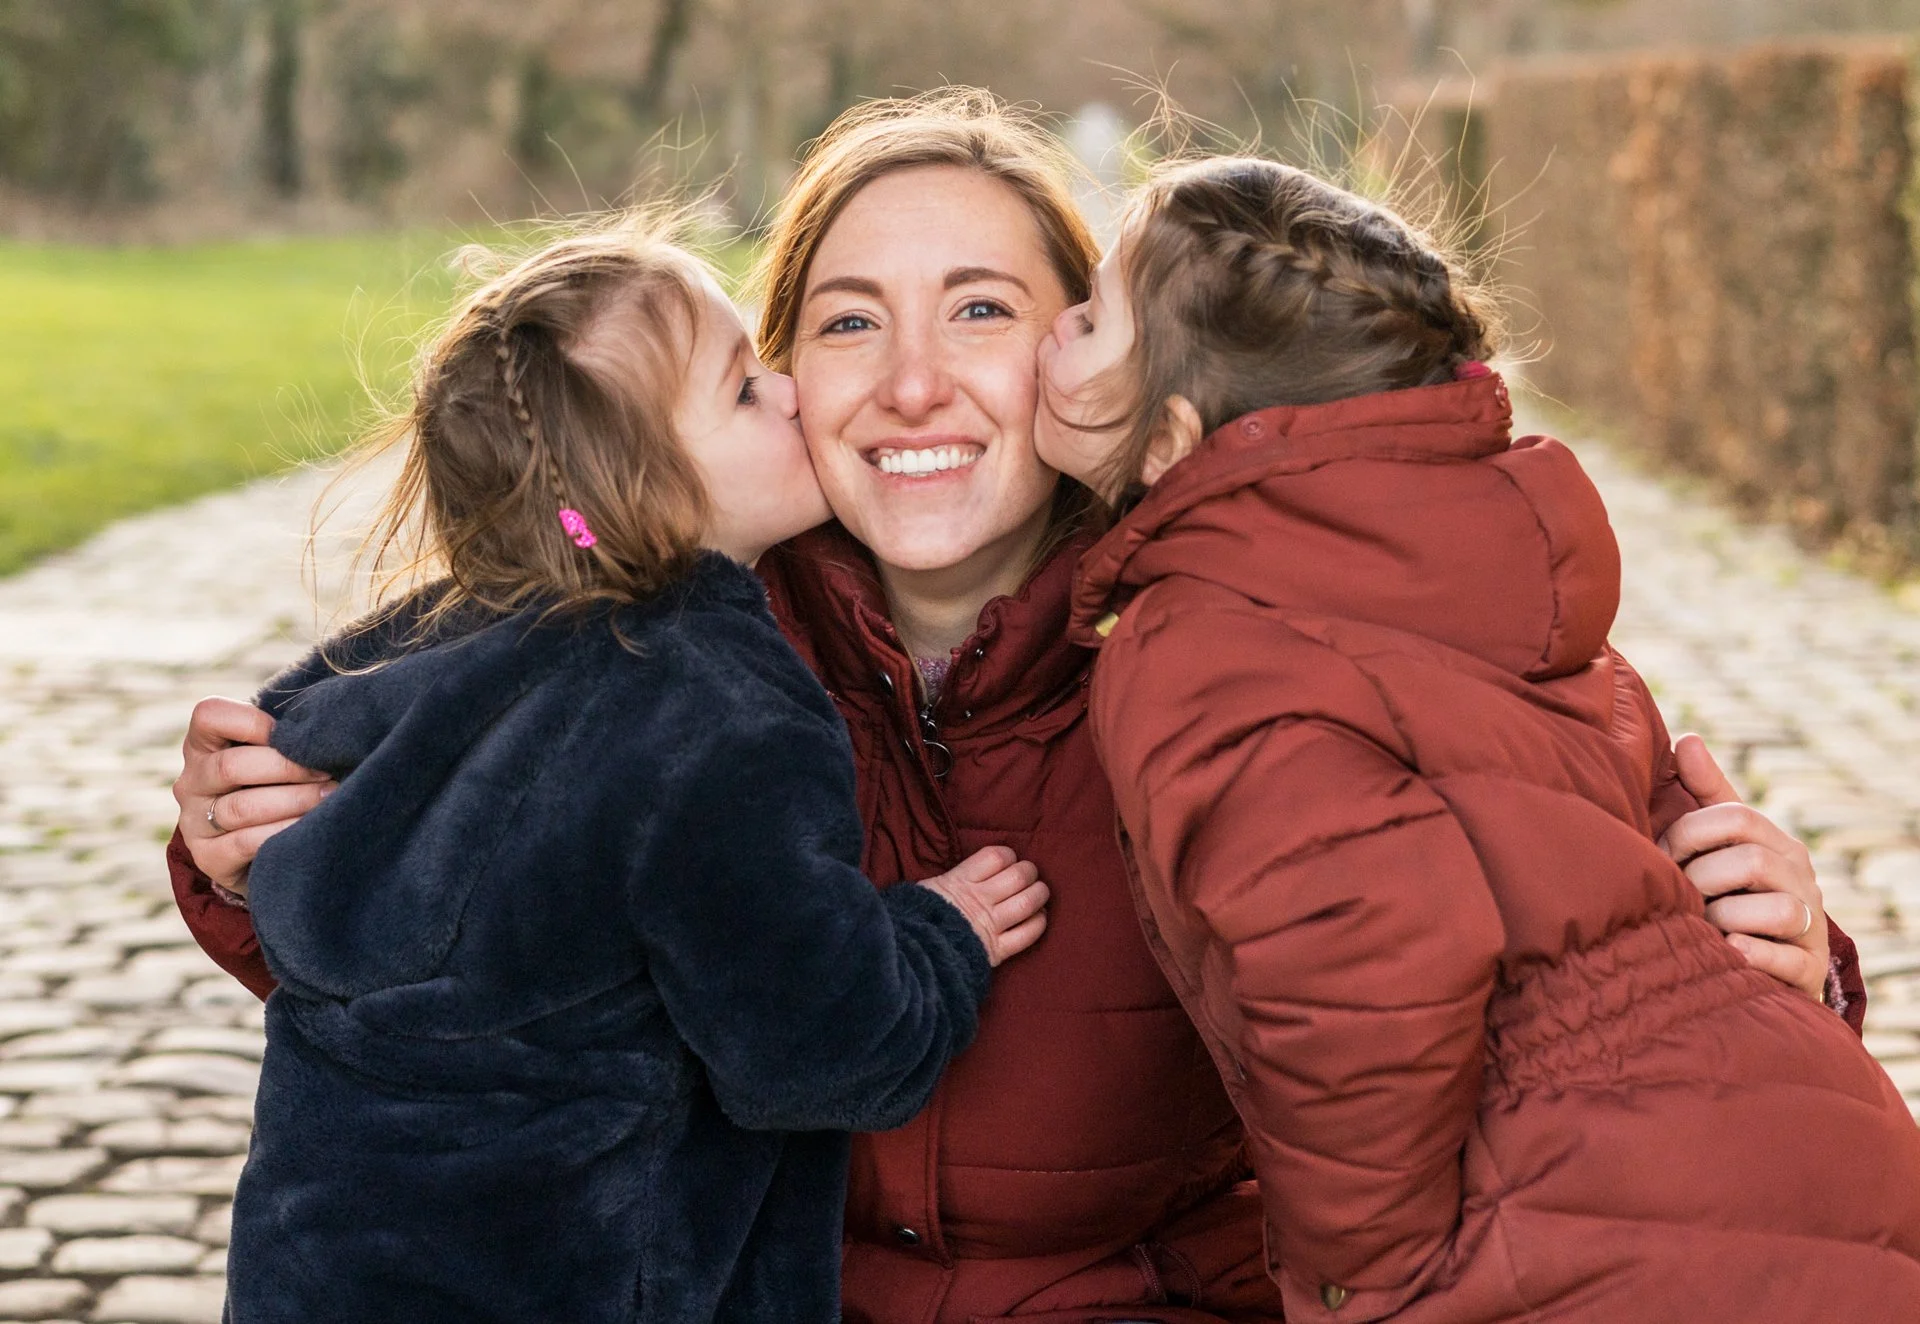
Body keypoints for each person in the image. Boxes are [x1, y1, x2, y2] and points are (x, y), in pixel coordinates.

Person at [168, 92, 1867, 1324]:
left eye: (981, 311)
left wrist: (1786, 950)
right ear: (773, 394)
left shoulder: (1295, 647)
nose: (913, 382)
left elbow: (1609, 995)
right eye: (846, 323)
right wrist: (248, 866)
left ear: (1096, 369)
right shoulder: (653, 669)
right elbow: (469, 974)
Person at [1035, 154, 1920, 1323]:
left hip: (1587, 1231)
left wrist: (1368, 1280)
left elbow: (1358, 960)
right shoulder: (1482, 580)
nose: (1057, 325)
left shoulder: (1196, 641)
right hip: (1820, 1155)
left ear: (1171, 441)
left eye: (1090, 313)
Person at [221, 216, 1051, 1324]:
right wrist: (938, 942)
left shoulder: (424, 646)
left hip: (310, 1272)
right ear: (645, 487)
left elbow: (286, 747)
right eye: (747, 391)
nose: (795, 389)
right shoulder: (719, 712)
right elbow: (814, 1052)